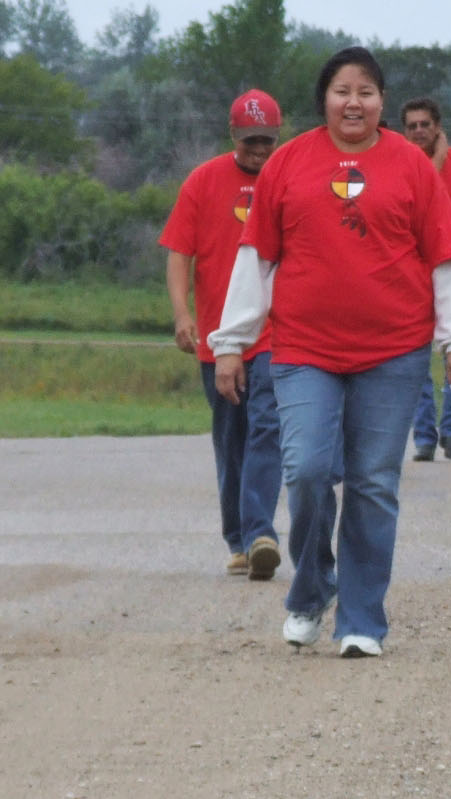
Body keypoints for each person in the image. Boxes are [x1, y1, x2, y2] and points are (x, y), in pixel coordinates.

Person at [209, 47, 451, 658]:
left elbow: (445, 259)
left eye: (365, 92)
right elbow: (257, 259)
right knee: (304, 473)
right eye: (341, 91)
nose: (353, 102)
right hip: (304, 348)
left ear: (382, 101)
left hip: (393, 351)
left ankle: (361, 618)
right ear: (323, 100)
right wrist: (230, 344)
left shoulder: (412, 168)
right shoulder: (287, 164)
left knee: (373, 483)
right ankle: (310, 588)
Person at [160, 89, 285, 581]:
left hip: (276, 331)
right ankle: (238, 537)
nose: (259, 149)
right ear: (233, 134)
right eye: (252, 140)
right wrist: (181, 314)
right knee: (231, 439)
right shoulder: (203, 181)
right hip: (219, 336)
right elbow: (178, 252)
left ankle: (260, 533)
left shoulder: (288, 176)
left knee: (267, 427)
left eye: (268, 140)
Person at [401, 96, 451, 462]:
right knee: (416, 351)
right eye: (412, 126)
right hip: (411, 267)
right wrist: (434, 162)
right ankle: (423, 434)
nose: (419, 131)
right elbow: (417, 193)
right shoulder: (401, 164)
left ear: (437, 126)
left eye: (425, 124)